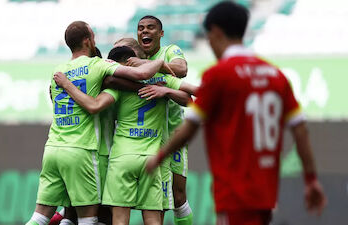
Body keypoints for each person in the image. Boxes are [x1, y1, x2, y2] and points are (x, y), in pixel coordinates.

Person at [146, 2, 327, 225]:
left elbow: (190, 128)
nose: (209, 42)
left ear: (216, 32)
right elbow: (300, 129)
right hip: (266, 191)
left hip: (233, 191)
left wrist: (159, 157)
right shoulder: (275, 74)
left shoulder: (218, 75)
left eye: (209, 36)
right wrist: (310, 179)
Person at [26, 21, 170, 225]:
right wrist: (160, 70)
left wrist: (67, 85)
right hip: (90, 151)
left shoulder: (58, 71)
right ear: (88, 40)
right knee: (92, 218)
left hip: (54, 148)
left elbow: (55, 95)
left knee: (44, 216)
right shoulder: (100, 72)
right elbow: (103, 99)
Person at [53, 45, 193, 225]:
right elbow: (191, 97)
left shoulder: (112, 87)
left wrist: (66, 86)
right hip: (151, 158)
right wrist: (165, 90)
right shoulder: (160, 82)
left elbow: (94, 105)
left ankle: (62, 217)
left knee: (106, 215)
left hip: (117, 157)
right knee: (154, 216)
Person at [127, 15, 193, 225]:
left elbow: (181, 70)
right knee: (157, 202)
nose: (145, 31)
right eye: (141, 28)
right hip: (142, 140)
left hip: (172, 136)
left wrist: (151, 67)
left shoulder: (170, 51)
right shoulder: (131, 57)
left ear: (161, 33)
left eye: (151, 28)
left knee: (178, 196)